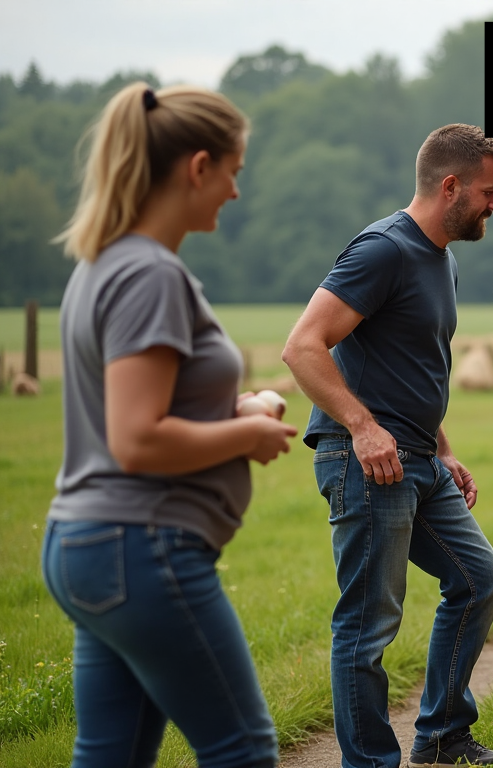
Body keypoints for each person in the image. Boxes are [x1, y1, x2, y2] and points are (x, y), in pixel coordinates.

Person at [42, 82, 297, 768]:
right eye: (233, 174)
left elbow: (140, 411)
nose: (235, 194)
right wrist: (247, 435)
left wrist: (234, 409)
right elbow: (137, 438)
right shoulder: (150, 275)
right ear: (197, 167)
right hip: (141, 547)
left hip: (94, 545)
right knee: (243, 750)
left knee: (113, 755)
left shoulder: (103, 265)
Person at [281, 124, 493, 768]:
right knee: (368, 625)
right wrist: (361, 426)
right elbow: (303, 346)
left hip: (417, 458)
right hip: (366, 462)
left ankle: (440, 737)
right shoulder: (383, 249)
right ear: (450, 186)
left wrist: (440, 447)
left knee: (480, 580)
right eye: (488, 192)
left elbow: (413, 364)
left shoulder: (442, 258)